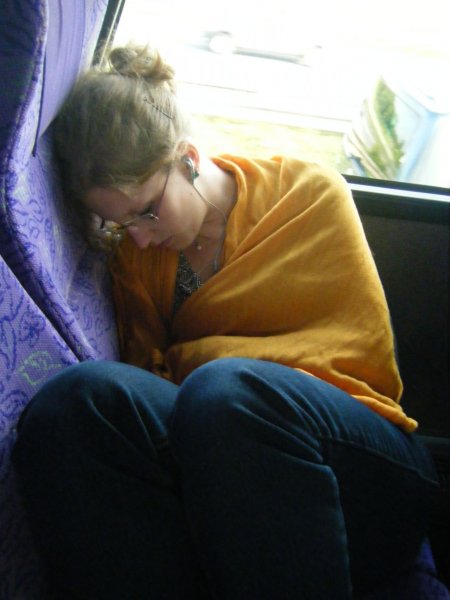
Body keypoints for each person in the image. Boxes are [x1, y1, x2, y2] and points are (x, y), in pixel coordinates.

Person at [12, 45, 438, 600]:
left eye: (146, 210)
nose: (139, 237)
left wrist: (211, 366)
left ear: (187, 158)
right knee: (77, 400)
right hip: (225, 452)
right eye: (120, 224)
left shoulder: (306, 194)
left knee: (227, 393)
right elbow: (152, 379)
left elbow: (356, 359)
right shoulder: (139, 261)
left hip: (359, 461)